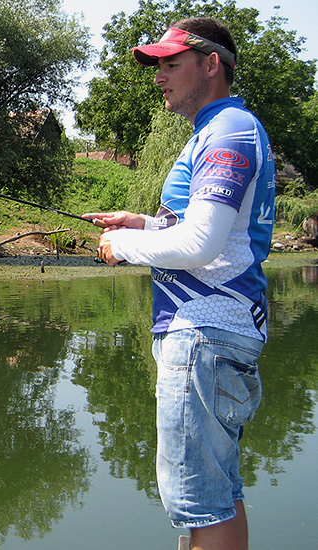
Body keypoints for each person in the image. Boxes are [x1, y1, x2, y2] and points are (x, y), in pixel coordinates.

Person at [84, 17, 275, 550]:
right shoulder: (220, 130)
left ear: (211, 64)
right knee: (220, 493)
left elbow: (201, 247)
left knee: (199, 501)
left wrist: (121, 248)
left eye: (171, 64)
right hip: (216, 335)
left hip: (205, 334)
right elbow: (212, 229)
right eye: (158, 66)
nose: (159, 77)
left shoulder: (228, 131)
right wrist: (141, 223)